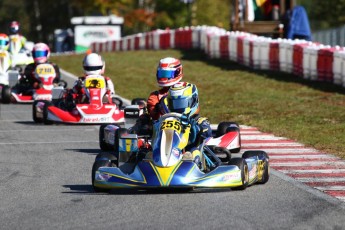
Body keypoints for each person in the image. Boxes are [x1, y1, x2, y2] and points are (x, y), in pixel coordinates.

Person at [129, 57, 183, 135]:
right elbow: (154, 115)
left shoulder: (186, 91)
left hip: (183, 126)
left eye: (166, 74)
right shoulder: (155, 96)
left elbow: (195, 110)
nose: (163, 78)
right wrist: (159, 107)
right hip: (161, 129)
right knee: (144, 120)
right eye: (161, 74)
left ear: (178, 72)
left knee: (202, 122)